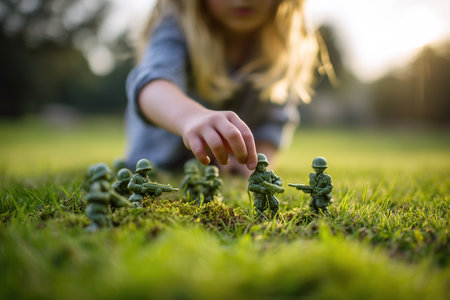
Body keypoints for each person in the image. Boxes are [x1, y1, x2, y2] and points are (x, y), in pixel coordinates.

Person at [126, 0, 322, 176]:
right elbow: (151, 85)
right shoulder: (176, 24)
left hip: (221, 174)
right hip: (157, 167)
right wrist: (190, 117)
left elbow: (272, 120)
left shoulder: (278, 47)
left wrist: (255, 161)